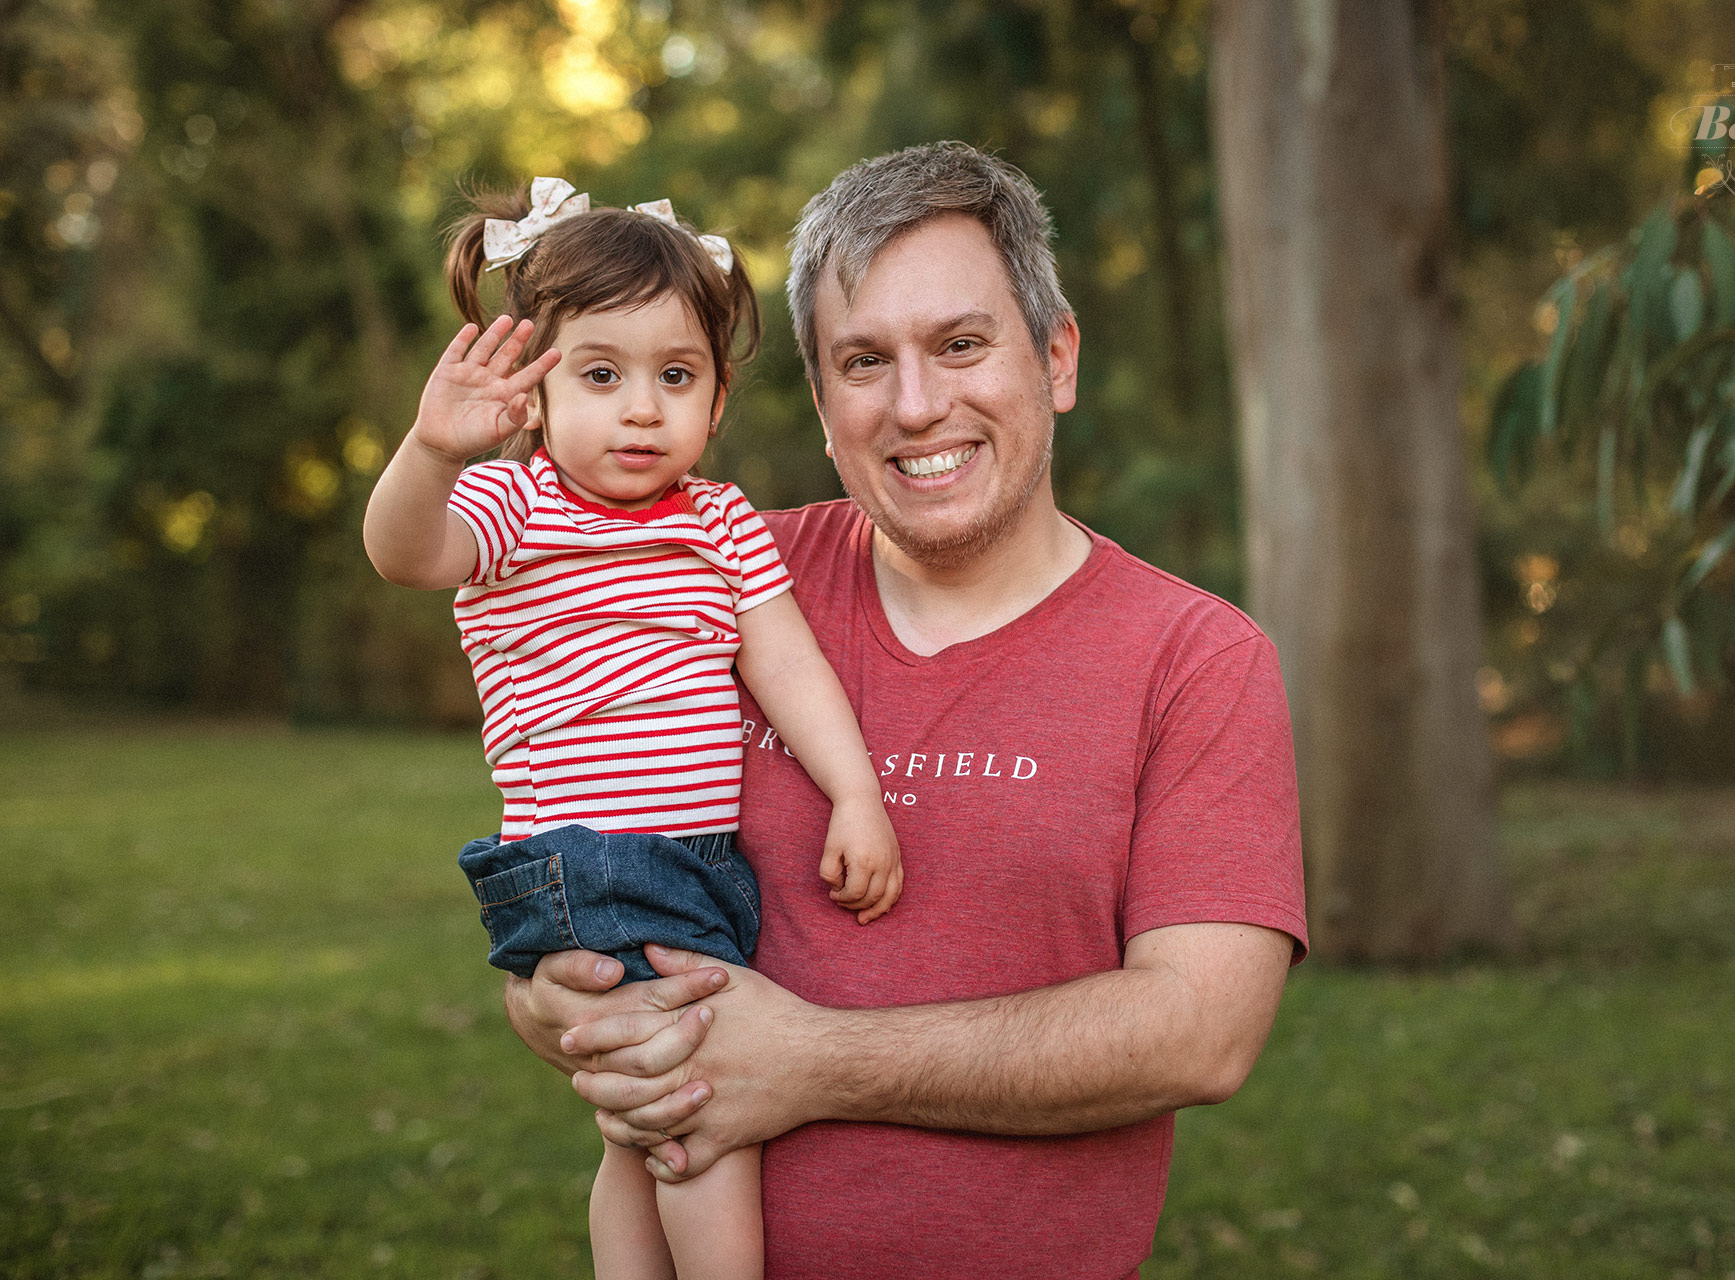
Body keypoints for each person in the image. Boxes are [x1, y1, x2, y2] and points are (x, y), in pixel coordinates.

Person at [504, 143, 1309, 1279]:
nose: (917, 405)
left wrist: (815, 1060)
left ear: (1057, 357)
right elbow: (567, 851)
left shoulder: (1196, 660)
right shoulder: (705, 576)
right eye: (865, 361)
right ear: (821, 403)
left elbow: (1201, 1032)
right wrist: (556, 1002)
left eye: (962, 344)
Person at [361, 178, 902, 1280]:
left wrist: (855, 792)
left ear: (717, 398)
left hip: (694, 863)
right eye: (601, 375)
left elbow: (784, 663)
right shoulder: (517, 506)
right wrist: (429, 450)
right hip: (591, 859)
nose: (643, 409)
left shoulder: (720, 521)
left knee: (641, 1124)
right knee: (704, 1110)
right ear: (535, 392)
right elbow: (403, 554)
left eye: (676, 376)